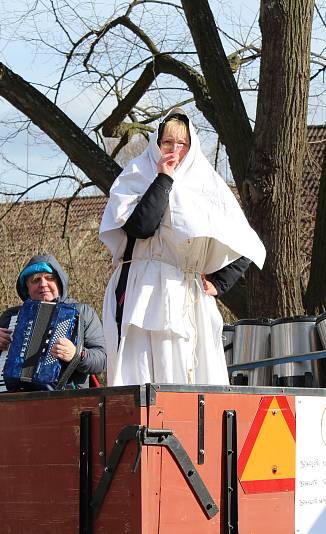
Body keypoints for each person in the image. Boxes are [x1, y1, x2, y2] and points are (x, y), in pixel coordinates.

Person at [99, 109, 266, 386]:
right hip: (141, 288)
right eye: (167, 143)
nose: (174, 150)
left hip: (187, 293)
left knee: (190, 377)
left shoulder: (207, 184)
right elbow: (141, 227)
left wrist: (219, 282)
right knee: (140, 376)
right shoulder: (137, 175)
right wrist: (163, 178)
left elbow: (245, 241)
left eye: (182, 144)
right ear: (156, 143)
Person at [0, 254, 106, 388]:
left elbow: (101, 360)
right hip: (20, 399)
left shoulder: (83, 312)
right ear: (26, 286)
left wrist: (76, 354)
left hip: (68, 398)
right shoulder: (13, 316)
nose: (43, 284)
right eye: (35, 280)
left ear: (59, 282)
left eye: (50, 278)